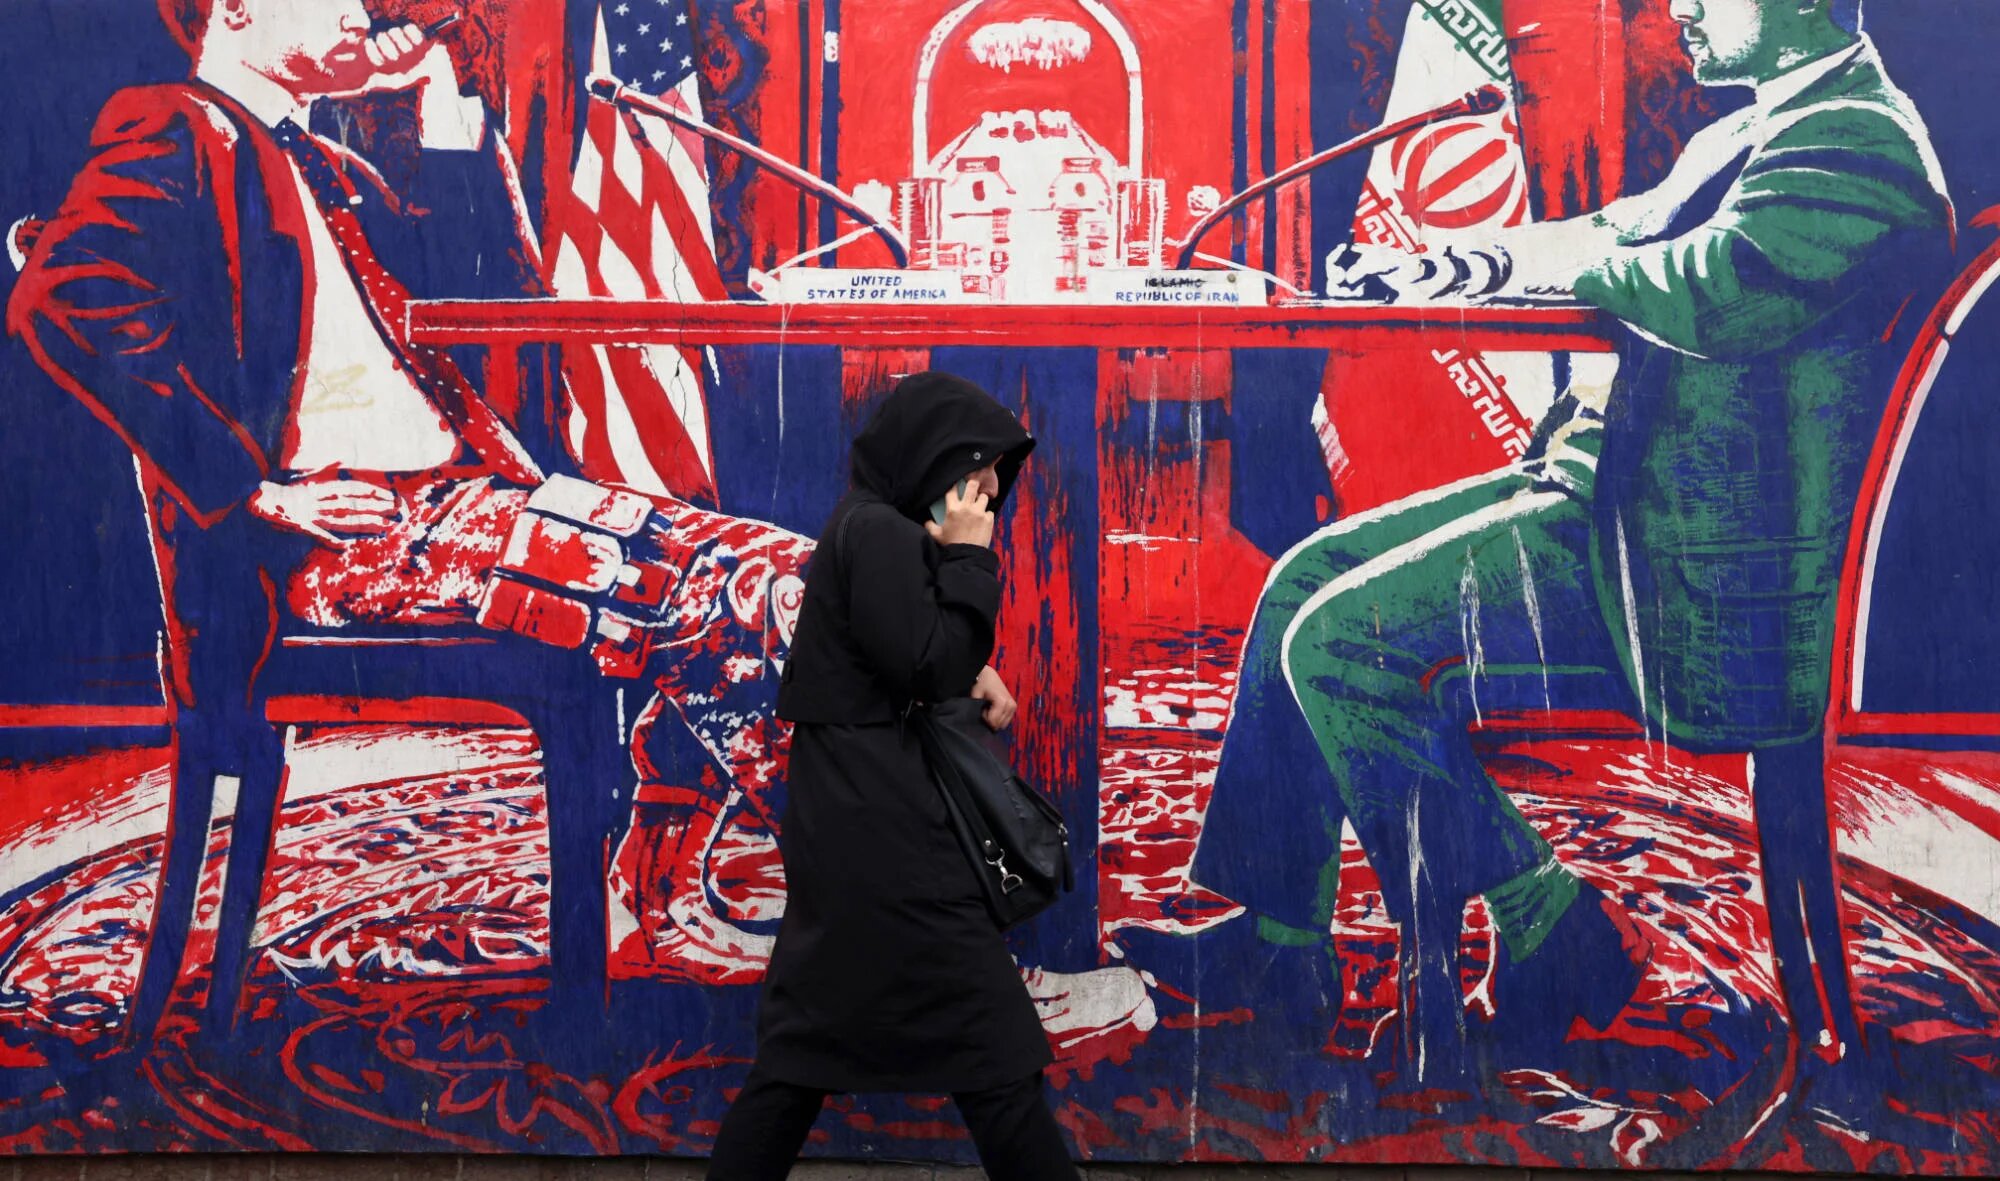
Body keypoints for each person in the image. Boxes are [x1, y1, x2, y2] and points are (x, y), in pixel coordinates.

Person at [1168, 0, 1953, 1089]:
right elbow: (1617, 234)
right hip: (1616, 501)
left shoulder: (1858, 143)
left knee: (1338, 643)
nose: (1677, 6)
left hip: (1690, 581)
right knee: (1309, 574)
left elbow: (1711, 289)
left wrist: (1568, 271)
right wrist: (1470, 264)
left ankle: (1549, 923)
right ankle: (1281, 947)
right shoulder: (1751, 130)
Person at [7, 0, 810, 1047]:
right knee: (738, 591)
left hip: (467, 507)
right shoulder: (173, 125)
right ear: (236, 10)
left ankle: (753, 890)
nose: (362, 9)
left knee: (789, 573)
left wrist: (438, 98)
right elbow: (59, 297)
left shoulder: (327, 165)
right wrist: (250, 489)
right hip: (340, 544)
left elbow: (485, 288)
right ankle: (909, 937)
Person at [705, 372, 1080, 1181]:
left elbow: (907, 654)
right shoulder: (879, 532)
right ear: (932, 461)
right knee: (995, 1054)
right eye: (975, 478)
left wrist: (967, 664)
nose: (985, 499)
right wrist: (972, 566)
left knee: (802, 1059)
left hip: (862, 824)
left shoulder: (879, 532)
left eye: (992, 488)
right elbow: (924, 659)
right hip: (892, 842)